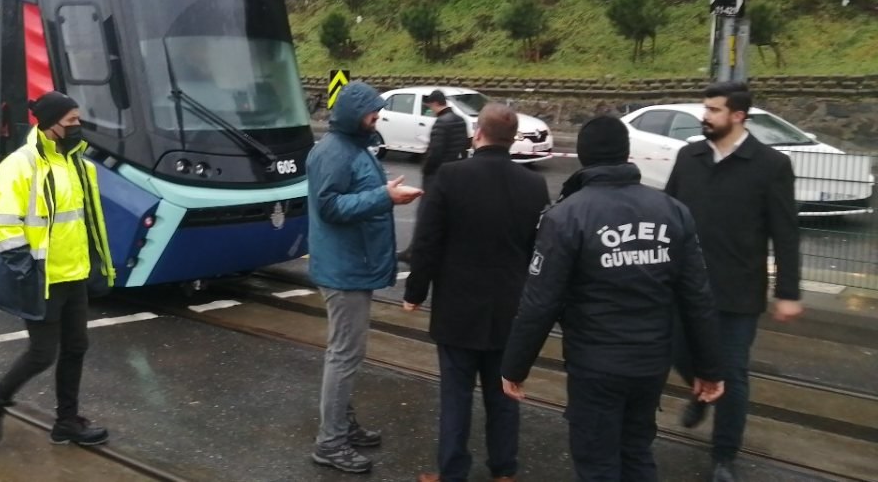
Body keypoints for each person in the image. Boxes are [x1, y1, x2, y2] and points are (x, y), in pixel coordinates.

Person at [501, 116, 724, 482]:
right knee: (636, 451)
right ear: (626, 153)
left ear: (582, 157)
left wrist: (514, 367)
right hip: (651, 361)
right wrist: (710, 367)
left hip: (595, 364)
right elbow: (696, 296)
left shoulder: (566, 216)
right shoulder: (672, 211)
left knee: (597, 461)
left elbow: (541, 302)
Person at [403, 103, 549, 482]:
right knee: (504, 393)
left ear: (477, 134)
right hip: (509, 308)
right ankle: (504, 471)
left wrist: (415, 292)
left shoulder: (451, 176)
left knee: (456, 395)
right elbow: (540, 249)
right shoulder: (534, 185)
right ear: (512, 138)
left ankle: (453, 472)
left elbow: (428, 242)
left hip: (457, 307)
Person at [664, 81, 802, 482]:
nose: (704, 116)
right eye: (705, 108)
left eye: (713, 110)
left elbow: (786, 233)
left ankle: (724, 455)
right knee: (679, 353)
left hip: (738, 291)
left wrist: (788, 292)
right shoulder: (688, 156)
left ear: (738, 115)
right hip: (685, 286)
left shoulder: (771, 165)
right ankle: (702, 389)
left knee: (733, 373)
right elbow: (669, 216)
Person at [0, 91, 117, 448]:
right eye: (71, 121)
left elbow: (86, 222)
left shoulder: (80, 164)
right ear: (50, 123)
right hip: (42, 276)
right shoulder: (20, 164)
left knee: (76, 348)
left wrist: (98, 264)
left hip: (75, 273)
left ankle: (67, 423)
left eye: (77, 120)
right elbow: (6, 227)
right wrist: (26, 270)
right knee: (42, 353)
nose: (77, 126)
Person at [307, 80, 423, 474]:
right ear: (355, 114)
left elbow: (351, 194)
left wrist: (384, 191)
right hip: (344, 270)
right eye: (373, 112)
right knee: (344, 357)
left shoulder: (352, 145)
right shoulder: (334, 151)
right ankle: (330, 443)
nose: (378, 118)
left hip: (351, 264)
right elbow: (329, 206)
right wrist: (384, 197)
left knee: (344, 354)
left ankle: (341, 424)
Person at [420, 90, 471, 192]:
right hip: (456, 170)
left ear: (435, 103)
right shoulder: (461, 120)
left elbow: (435, 151)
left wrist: (426, 169)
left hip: (440, 172)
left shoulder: (441, 122)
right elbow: (465, 144)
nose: (431, 110)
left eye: (430, 107)